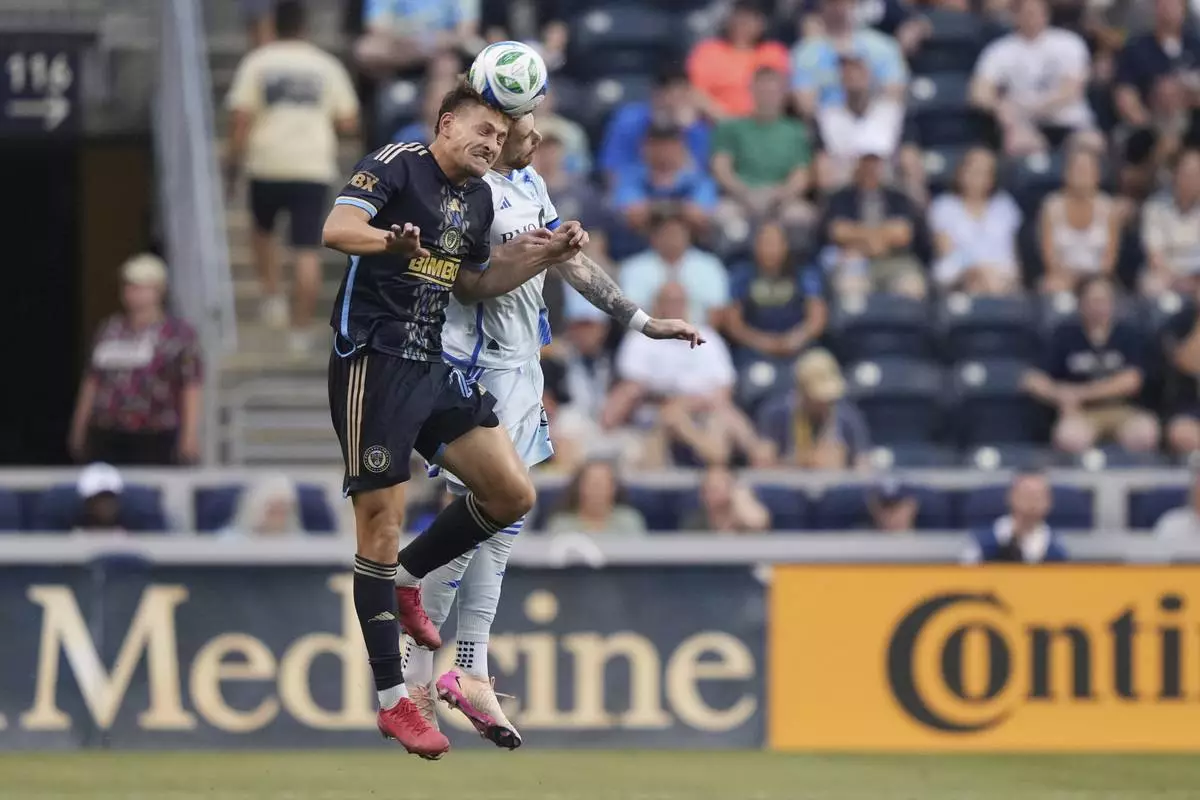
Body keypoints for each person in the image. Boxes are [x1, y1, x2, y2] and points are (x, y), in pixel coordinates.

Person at [398, 113, 702, 750]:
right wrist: (545, 248)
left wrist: (643, 321)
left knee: (503, 522)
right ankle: (420, 673)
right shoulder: (469, 190)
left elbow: (574, 267)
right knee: (476, 514)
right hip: (472, 366)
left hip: (521, 366)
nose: (537, 141)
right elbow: (473, 283)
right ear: (495, 132)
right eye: (527, 129)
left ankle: (468, 667)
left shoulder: (531, 181)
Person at [321, 82, 569, 758]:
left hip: (431, 364)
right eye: (482, 130)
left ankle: (406, 580)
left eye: (500, 136)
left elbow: (472, 283)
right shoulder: (398, 162)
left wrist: (540, 256)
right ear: (447, 122)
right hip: (373, 362)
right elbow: (335, 230)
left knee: (511, 494)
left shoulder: (479, 197)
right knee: (380, 524)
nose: (491, 143)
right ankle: (394, 701)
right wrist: (387, 243)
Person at [225, 0, 360, 354]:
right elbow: (349, 121)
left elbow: (240, 118)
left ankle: (272, 295)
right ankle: (300, 330)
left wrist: (232, 163)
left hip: (266, 162)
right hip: (311, 167)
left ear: (274, 24)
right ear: (305, 27)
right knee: (306, 252)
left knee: (261, 232)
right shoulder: (325, 65)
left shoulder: (257, 62)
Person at [606, 283, 773, 467]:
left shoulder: (708, 337)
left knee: (726, 416)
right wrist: (677, 402)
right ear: (657, 304)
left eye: (679, 301)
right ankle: (714, 457)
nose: (674, 306)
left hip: (705, 409)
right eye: (668, 301)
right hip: (657, 411)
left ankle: (759, 458)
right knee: (673, 416)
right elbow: (633, 389)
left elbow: (724, 390)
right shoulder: (640, 340)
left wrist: (691, 403)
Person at [69, 254, 203, 466]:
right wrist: (79, 426)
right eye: (129, 287)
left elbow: (191, 385)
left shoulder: (178, 335)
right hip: (108, 431)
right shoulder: (110, 329)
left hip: (155, 433)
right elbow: (92, 381)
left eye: (140, 288)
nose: (132, 294)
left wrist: (190, 434)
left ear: (158, 290)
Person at [1022, 275, 1159, 454]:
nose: (1099, 307)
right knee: (1069, 438)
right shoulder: (1064, 334)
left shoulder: (1129, 334)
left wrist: (1080, 393)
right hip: (1081, 413)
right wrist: (1059, 395)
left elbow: (1131, 381)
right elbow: (1031, 380)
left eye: (1105, 300)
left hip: (1122, 408)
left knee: (1145, 433)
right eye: (1093, 300)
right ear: (1080, 302)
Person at [969, 0, 1095, 156]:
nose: (1032, 17)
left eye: (1036, 12)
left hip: (1068, 121)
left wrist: (1035, 108)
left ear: (1047, 13)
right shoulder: (999, 50)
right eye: (1026, 12)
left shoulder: (1069, 43)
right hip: (1023, 125)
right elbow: (979, 93)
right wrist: (1000, 107)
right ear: (1015, 15)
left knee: (1090, 144)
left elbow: (1072, 89)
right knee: (1020, 145)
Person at [711, 67, 814, 232]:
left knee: (800, 216)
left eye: (773, 91)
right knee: (722, 216)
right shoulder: (732, 127)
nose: (767, 96)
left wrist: (778, 195)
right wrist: (744, 192)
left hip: (781, 200)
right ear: (751, 91)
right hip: (740, 198)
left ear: (783, 94)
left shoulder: (796, 131)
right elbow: (721, 167)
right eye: (762, 90)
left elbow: (801, 175)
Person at [820, 151, 927, 300]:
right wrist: (877, 238)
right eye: (866, 166)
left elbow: (903, 234)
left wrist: (858, 234)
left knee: (912, 287)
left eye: (875, 167)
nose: (871, 172)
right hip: (854, 260)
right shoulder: (841, 197)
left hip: (894, 260)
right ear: (857, 168)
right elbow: (838, 231)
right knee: (850, 288)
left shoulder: (898, 197)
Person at [725, 222, 828, 362]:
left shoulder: (803, 273)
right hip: (753, 349)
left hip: (799, 345)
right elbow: (733, 323)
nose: (770, 249)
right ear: (755, 246)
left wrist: (795, 339)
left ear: (785, 246)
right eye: (765, 243)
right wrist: (763, 343)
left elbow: (817, 318)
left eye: (774, 243)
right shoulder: (742, 275)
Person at [790, 0, 908, 119]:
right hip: (827, 126)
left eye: (844, 2)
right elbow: (806, 106)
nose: (838, 9)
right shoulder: (805, 54)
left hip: (876, 124)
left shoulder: (882, 46)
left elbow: (894, 94)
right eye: (832, 3)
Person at [756, 348, 872, 469]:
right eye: (818, 399)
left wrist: (841, 467)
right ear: (802, 392)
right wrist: (801, 463)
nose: (825, 403)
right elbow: (762, 463)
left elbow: (864, 466)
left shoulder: (848, 416)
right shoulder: (776, 413)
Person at [928, 147, 1023, 294]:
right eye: (973, 171)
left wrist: (990, 272)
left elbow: (1011, 252)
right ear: (960, 172)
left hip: (999, 274)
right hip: (958, 273)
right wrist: (976, 269)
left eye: (984, 173)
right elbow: (945, 251)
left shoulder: (1004, 205)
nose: (977, 178)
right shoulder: (944, 206)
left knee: (996, 282)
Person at [686, 0, 791, 119]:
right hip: (717, 123)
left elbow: (779, 92)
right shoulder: (707, 51)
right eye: (739, 18)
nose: (743, 24)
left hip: (762, 123)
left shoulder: (773, 52)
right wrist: (726, 119)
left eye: (749, 19)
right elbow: (696, 93)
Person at [1039, 147, 1121, 293]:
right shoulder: (1051, 207)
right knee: (1050, 287)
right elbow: (1049, 258)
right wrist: (1070, 279)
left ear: (1097, 175)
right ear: (1066, 173)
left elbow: (1109, 262)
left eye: (1087, 170)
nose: (1082, 175)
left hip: (1097, 279)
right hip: (1061, 278)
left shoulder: (1108, 209)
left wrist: (1088, 281)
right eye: (1077, 169)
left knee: (1099, 293)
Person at [962, 470, 1068, 563]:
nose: (1032, 502)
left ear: (1049, 502)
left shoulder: (1056, 549)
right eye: (1027, 494)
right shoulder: (984, 541)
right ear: (1011, 496)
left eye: (1038, 496)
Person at [1141, 149, 1200, 296]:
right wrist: (1178, 280)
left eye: (1196, 175)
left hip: (1198, 276)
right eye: (1187, 174)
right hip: (1166, 275)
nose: (1191, 180)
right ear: (1175, 175)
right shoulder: (1154, 208)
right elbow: (1154, 256)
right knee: (1151, 286)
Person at [544, 460, 648, 534]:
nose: (597, 489)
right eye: (592, 483)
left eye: (603, 483)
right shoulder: (561, 524)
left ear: (614, 488)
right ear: (579, 488)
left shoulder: (630, 521)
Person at [680, 466, 771, 533]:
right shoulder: (694, 523)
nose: (710, 495)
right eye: (707, 490)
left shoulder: (744, 514)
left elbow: (758, 524)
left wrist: (742, 498)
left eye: (716, 489)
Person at [219, 474, 302, 537]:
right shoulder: (229, 540)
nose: (279, 519)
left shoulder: (299, 542)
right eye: (273, 512)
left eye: (284, 512)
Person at [73, 462, 125, 532]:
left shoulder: (128, 538)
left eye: (109, 498)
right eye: (99, 500)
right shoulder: (73, 539)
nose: (106, 506)